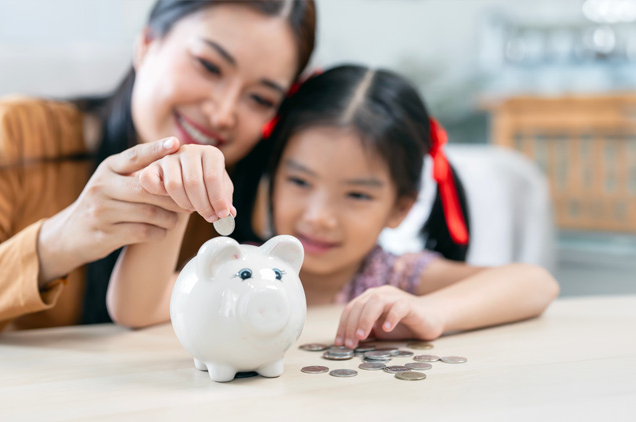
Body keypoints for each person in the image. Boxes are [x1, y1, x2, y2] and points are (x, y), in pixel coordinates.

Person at [0, 0, 317, 341]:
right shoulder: (15, 132)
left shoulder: (259, 190)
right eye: (208, 65)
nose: (223, 113)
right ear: (146, 45)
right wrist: (61, 239)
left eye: (260, 98)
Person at [230, 65, 559, 347]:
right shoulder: (242, 267)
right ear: (271, 176)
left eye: (357, 195)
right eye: (300, 182)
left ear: (400, 208)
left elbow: (536, 284)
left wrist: (433, 312)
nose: (319, 217)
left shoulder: (392, 277)